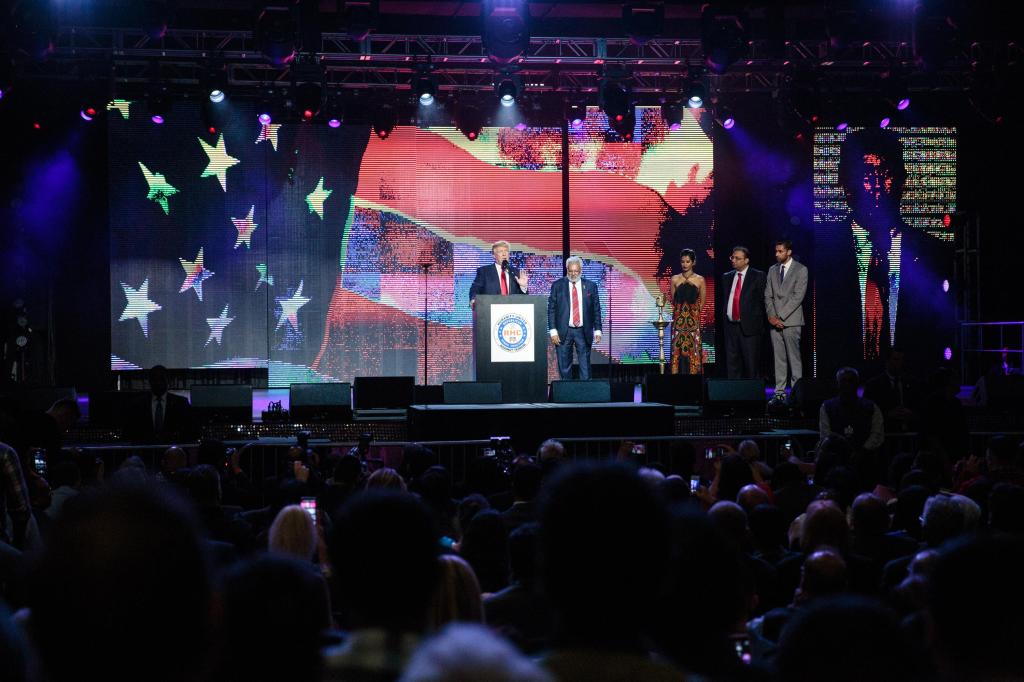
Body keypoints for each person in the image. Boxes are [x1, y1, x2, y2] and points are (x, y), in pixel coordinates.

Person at [820, 128, 952, 375]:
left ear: (903, 180)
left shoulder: (929, 250)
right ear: (845, 182)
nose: (877, 184)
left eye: (886, 173)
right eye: (866, 174)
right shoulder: (824, 249)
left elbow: (934, 321)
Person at [764, 239, 807, 402]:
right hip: (774, 322)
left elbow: (798, 297)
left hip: (792, 320)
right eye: (776, 251)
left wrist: (780, 317)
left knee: (794, 359)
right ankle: (779, 392)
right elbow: (768, 295)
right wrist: (772, 317)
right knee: (779, 359)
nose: (777, 254)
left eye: (780, 251)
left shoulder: (801, 270)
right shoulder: (772, 270)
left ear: (788, 252)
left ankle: (797, 394)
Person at [548, 255, 603, 380]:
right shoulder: (557, 285)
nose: (573, 274)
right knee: (564, 365)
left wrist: (598, 330)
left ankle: (585, 393)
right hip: (563, 331)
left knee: (584, 366)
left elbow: (596, 309)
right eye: (570, 271)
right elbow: (551, 309)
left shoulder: (590, 286)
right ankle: (566, 393)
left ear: (581, 270)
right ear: (567, 269)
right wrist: (553, 331)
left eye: (576, 271)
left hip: (583, 331)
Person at [721, 246, 766, 379]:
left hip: (750, 328)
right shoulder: (727, 277)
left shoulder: (758, 276)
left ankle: (752, 397)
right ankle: (734, 396)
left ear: (746, 260)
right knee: (732, 364)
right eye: (732, 257)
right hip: (730, 327)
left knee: (751, 365)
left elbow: (764, 301)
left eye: (737, 258)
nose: (733, 260)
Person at [819, 368, 884, 453]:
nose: (847, 384)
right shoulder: (827, 407)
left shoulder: (871, 407)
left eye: (851, 380)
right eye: (843, 380)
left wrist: (864, 450)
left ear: (857, 383)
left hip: (866, 457)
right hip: (837, 458)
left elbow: (877, 434)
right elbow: (826, 435)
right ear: (837, 384)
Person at [125, 365, 195, 443]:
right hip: (145, 450)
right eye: (155, 379)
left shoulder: (181, 403)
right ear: (150, 381)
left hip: (172, 450)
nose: (158, 382)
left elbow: (189, 430)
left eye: (161, 379)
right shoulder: (137, 404)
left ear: (168, 381)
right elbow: (131, 431)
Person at [669, 248, 706, 375]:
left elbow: (702, 302)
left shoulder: (700, 280)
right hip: (678, 322)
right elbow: (673, 301)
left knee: (693, 350)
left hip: (693, 323)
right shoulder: (674, 279)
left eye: (687, 261)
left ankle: (694, 380)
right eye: (682, 261)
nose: (685, 264)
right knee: (677, 350)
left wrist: (694, 315)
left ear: (693, 262)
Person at [468, 240, 529, 307]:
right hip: (490, 309)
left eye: (506, 251)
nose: (504, 254)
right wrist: (473, 299)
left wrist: (523, 286)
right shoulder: (484, 271)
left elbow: (524, 298)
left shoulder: (516, 272)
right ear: (494, 255)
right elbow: (475, 288)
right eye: (500, 251)